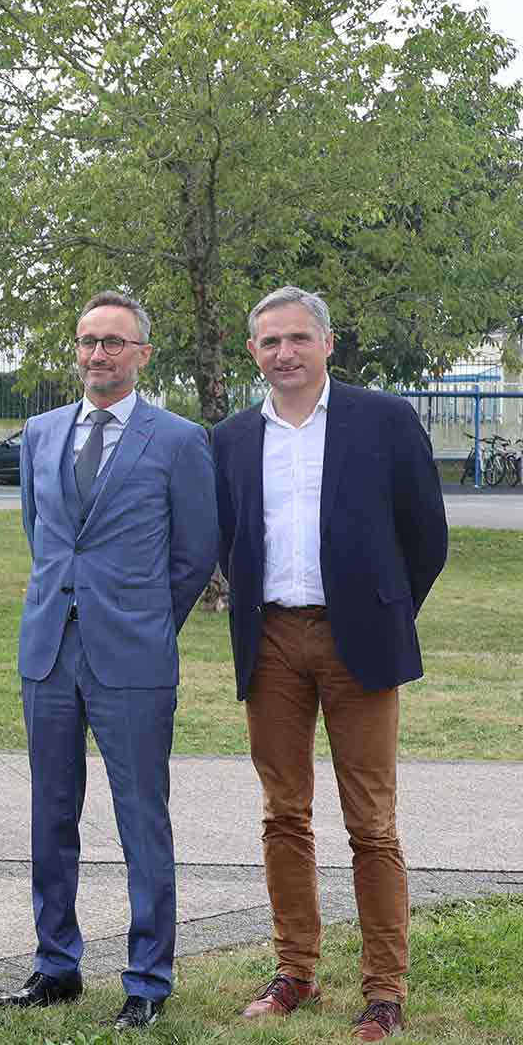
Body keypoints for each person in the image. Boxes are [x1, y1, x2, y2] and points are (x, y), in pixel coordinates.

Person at [211, 287, 448, 1043]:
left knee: (371, 823)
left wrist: (383, 608)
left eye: (298, 339)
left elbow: (426, 534)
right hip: (272, 640)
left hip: (359, 644)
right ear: (254, 352)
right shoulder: (233, 437)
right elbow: (228, 536)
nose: (284, 352)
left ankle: (385, 991)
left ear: (328, 343)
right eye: (270, 341)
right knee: (284, 813)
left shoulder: (381, 420)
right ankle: (296, 972)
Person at [0, 291, 217, 1030]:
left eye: (115, 343)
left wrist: (146, 620)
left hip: (134, 658)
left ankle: (148, 979)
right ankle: (55, 965)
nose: (99, 355)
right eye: (89, 341)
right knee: (49, 815)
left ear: (142, 354)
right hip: (50, 652)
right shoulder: (40, 432)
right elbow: (43, 533)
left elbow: (193, 554)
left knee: (140, 821)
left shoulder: (180, 440)